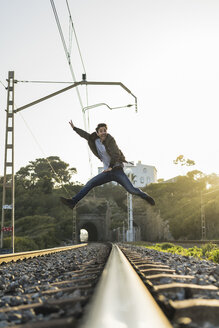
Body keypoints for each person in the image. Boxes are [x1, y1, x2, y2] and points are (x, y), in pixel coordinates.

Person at [60, 121, 155, 209]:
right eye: (101, 131)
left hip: (117, 170)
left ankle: (146, 197)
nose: (103, 132)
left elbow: (116, 154)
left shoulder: (110, 140)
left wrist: (111, 166)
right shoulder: (94, 140)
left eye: (105, 130)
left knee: (131, 189)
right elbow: (84, 135)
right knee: (90, 183)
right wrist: (74, 128)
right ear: (97, 133)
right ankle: (73, 202)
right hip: (107, 172)